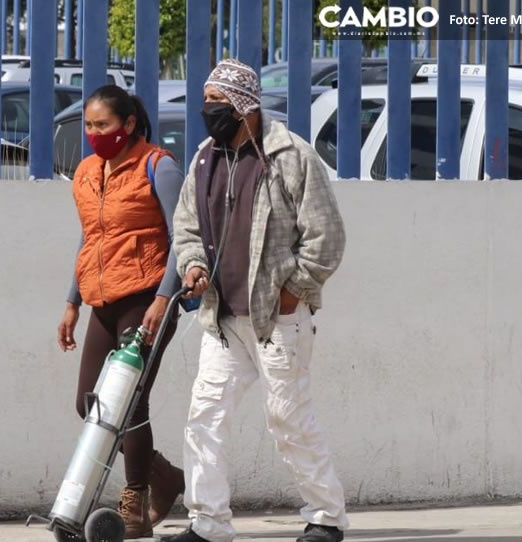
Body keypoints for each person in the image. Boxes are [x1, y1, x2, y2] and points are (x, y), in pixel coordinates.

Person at [164, 59, 349, 542]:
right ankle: (208, 523)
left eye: (218, 103)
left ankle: (326, 518)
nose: (208, 112)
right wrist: (193, 266)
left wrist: (294, 291)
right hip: (223, 321)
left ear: (245, 106)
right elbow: (185, 227)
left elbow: (326, 237)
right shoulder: (206, 157)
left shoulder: (291, 156)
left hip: (277, 318)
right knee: (205, 416)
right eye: (206, 102)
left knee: (287, 417)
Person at [57, 85, 186, 539]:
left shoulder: (159, 166)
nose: (94, 134)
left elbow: (182, 238)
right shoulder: (89, 170)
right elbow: (90, 237)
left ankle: (135, 501)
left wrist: (163, 299)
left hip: (147, 296)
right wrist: (73, 301)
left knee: (129, 402)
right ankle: (165, 477)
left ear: (128, 124)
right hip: (103, 299)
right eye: (89, 126)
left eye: (103, 125)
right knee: (89, 403)